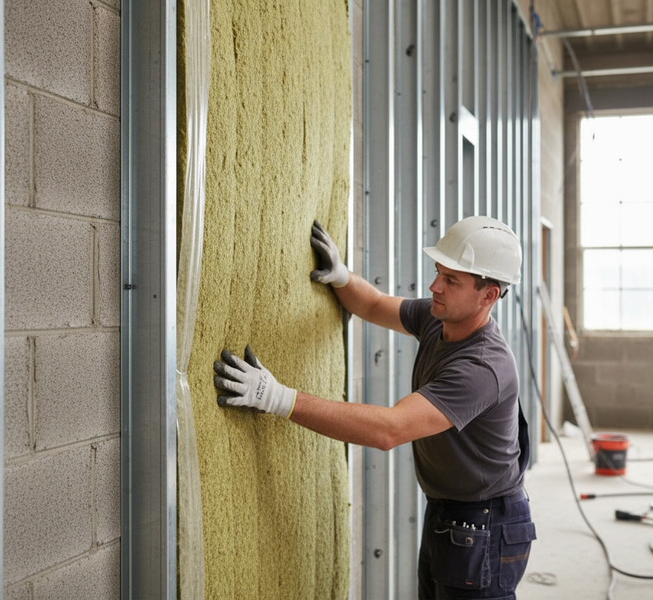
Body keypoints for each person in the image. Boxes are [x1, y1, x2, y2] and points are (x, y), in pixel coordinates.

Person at [213, 215, 536, 599]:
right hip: (451, 515)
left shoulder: (482, 367)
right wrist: (342, 278)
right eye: (439, 272)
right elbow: (376, 305)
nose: (435, 286)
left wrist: (278, 397)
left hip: (485, 526)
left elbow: (389, 429)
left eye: (451, 280)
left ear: (489, 295)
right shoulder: (442, 319)